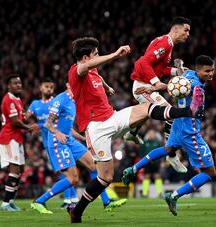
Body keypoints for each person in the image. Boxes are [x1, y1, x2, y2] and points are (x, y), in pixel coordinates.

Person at [67, 37, 204, 223]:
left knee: (147, 108)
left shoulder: (93, 72)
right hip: (96, 128)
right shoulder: (76, 71)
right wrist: (115, 54)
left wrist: (107, 87)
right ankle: (77, 211)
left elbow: (95, 74)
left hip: (112, 117)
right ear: (85, 58)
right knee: (105, 177)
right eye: (95, 53)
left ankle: (188, 111)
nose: (97, 56)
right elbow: (86, 67)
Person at [122, 55, 216, 216]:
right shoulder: (195, 85)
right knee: (210, 173)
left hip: (178, 126)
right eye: (207, 71)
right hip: (190, 132)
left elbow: (178, 80)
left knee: (167, 149)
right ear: (198, 70)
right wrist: (155, 88)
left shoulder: (188, 75)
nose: (211, 74)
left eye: (212, 70)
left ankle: (133, 169)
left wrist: (179, 65)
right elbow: (179, 91)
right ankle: (174, 195)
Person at [30, 85, 127, 214]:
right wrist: (57, 133)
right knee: (73, 178)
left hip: (69, 139)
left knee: (94, 166)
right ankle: (39, 201)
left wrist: (83, 138)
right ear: (69, 85)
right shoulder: (61, 99)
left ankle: (107, 202)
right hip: (57, 140)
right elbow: (48, 123)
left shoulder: (74, 101)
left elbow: (68, 128)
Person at [126, 16, 191, 173]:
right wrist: (156, 83)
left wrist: (177, 71)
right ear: (175, 28)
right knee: (171, 114)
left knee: (147, 111)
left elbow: (160, 69)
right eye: (186, 30)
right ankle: (171, 154)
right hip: (143, 86)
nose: (188, 34)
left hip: (145, 84)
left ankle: (132, 132)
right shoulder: (165, 43)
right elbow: (142, 63)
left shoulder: (166, 44)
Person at [26, 78, 79, 208]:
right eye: (46, 86)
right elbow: (25, 117)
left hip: (59, 140)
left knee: (65, 171)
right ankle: (71, 198)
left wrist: (38, 125)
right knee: (63, 171)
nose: (49, 89)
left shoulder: (56, 102)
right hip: (47, 143)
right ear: (41, 88)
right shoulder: (35, 104)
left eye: (51, 87)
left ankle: (69, 199)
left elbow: (50, 124)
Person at [0, 75, 39, 211]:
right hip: (8, 138)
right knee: (14, 170)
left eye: (19, 83)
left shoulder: (18, 100)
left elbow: (21, 118)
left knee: (20, 170)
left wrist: (29, 125)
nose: (18, 85)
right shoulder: (8, 99)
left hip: (17, 138)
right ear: (8, 86)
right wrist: (29, 128)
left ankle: (10, 201)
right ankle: (5, 203)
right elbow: (15, 122)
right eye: (15, 83)